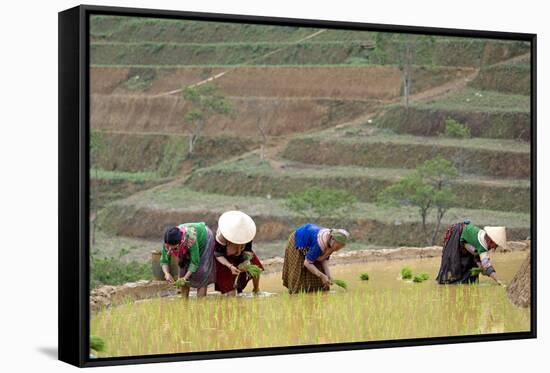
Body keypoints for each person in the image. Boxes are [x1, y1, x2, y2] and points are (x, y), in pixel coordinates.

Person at [282, 223, 350, 293]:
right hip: (299, 240)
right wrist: (322, 276)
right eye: (338, 246)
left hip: (311, 243)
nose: (338, 249)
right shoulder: (319, 244)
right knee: (299, 269)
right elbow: (307, 263)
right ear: (332, 239)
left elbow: (324, 259)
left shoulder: (331, 244)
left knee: (320, 281)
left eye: (341, 247)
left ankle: (313, 293)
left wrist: (328, 275)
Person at [436, 220, 506, 286]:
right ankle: (448, 283)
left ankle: (465, 282)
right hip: (457, 234)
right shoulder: (482, 245)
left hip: (465, 241)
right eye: (495, 245)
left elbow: (476, 255)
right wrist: (498, 281)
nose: (494, 248)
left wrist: (481, 267)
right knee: (453, 262)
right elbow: (487, 266)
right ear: (491, 240)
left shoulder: (483, 237)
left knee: (470, 265)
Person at [213, 211, 264, 296]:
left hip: (242, 254)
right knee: (228, 288)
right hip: (225, 257)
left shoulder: (248, 233)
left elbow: (248, 250)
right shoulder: (222, 236)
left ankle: (256, 289)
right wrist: (230, 266)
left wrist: (246, 262)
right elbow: (218, 254)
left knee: (256, 270)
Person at [161, 222, 217, 298]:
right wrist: (166, 273)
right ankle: (184, 304)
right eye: (168, 247)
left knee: (201, 273)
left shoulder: (191, 239)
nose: (170, 250)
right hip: (186, 245)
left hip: (204, 239)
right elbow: (164, 260)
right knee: (182, 271)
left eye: (174, 248)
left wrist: (185, 278)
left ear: (181, 243)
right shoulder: (168, 240)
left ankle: (200, 306)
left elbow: (194, 263)